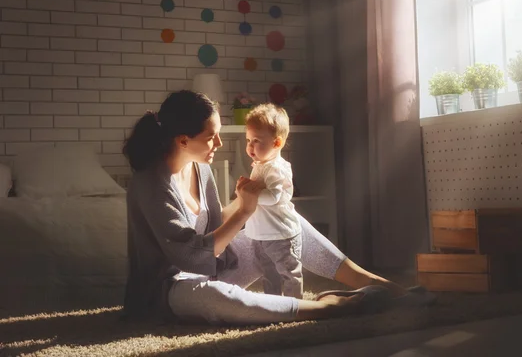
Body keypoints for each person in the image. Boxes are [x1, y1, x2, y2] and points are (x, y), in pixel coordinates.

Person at [122, 90, 434, 326]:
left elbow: (216, 228)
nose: (218, 143)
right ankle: (334, 307)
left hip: (214, 269)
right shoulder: (149, 183)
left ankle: (384, 288)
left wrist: (249, 201)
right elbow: (189, 255)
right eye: (210, 136)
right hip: (168, 291)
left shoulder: (200, 168)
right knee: (215, 297)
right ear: (182, 140)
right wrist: (244, 210)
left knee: (286, 222)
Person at [243, 104, 303, 299]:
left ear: (277, 143)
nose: (250, 146)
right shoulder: (261, 165)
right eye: (248, 140)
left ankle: (295, 306)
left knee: (289, 272)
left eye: (256, 140)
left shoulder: (275, 168)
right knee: (269, 273)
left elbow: (273, 197)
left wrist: (250, 193)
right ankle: (274, 304)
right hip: (263, 234)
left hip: (280, 234)